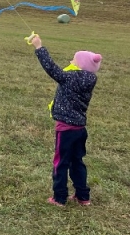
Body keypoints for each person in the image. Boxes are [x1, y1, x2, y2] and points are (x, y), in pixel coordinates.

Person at [29, 35, 102, 206]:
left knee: (60, 163)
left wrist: (39, 47)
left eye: (74, 60)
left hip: (65, 129)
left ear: (80, 65)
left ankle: (59, 197)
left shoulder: (70, 78)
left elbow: (51, 68)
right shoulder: (89, 79)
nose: (70, 61)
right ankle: (83, 196)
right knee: (77, 162)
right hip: (80, 129)